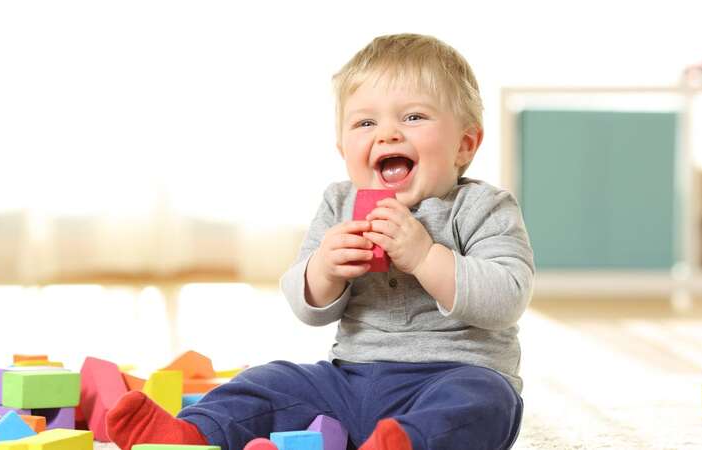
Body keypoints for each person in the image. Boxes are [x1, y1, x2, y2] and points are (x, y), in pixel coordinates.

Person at [105, 33, 534, 450]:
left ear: (465, 144)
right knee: (270, 381)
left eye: (413, 117)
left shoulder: (483, 206)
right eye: (366, 122)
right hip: (348, 381)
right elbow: (304, 303)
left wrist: (424, 256)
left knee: (483, 402)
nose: (387, 134)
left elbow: (506, 299)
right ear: (342, 147)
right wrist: (325, 269)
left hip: (453, 375)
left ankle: (407, 441)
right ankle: (194, 435)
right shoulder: (339, 202)